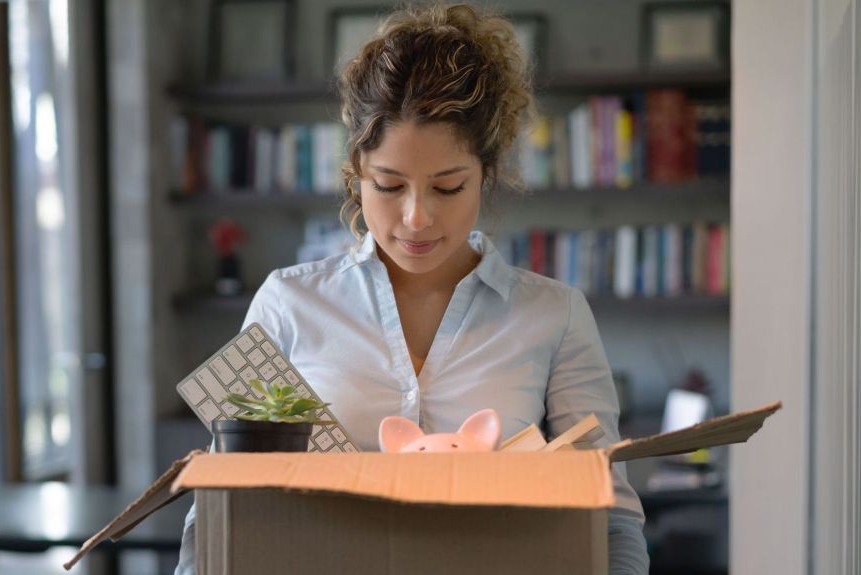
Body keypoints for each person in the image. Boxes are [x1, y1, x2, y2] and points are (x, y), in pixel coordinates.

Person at [175, 2, 649, 573]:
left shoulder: (556, 315)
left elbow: (613, 516)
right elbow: (217, 510)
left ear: (487, 175)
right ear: (356, 172)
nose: (417, 217)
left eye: (448, 187)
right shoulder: (288, 303)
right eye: (389, 185)